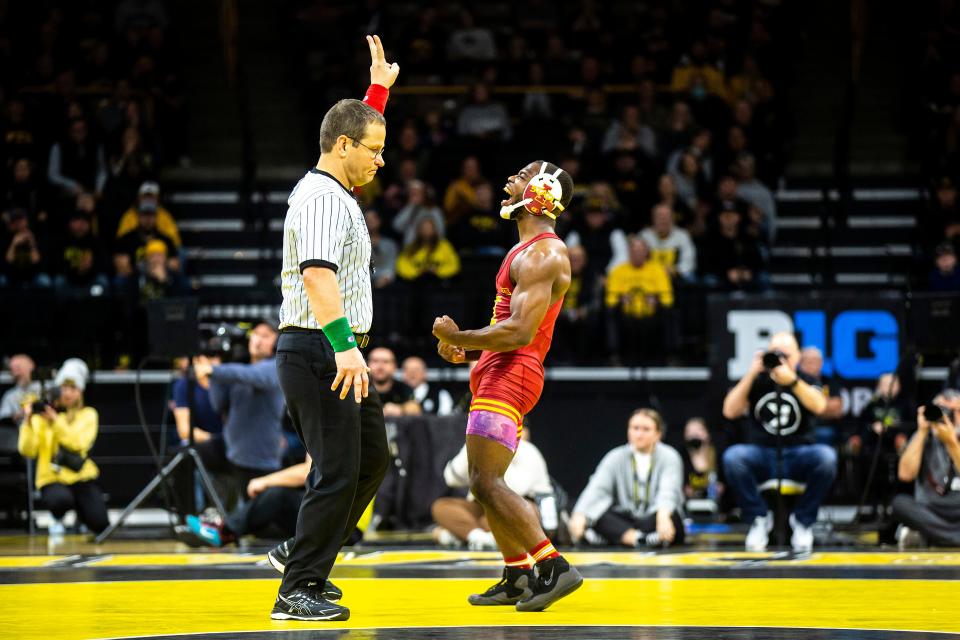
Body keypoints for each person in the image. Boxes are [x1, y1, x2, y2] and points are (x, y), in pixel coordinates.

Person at [266, 35, 397, 622]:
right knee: (338, 470)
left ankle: (305, 548)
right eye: (374, 150)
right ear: (343, 146)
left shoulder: (336, 187)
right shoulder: (320, 199)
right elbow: (318, 277)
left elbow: (357, 129)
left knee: (371, 461)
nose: (381, 159)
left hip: (340, 349)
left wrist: (378, 94)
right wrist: (345, 348)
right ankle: (297, 588)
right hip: (323, 347)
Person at [432, 158, 582, 611]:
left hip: (511, 373)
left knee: (487, 481)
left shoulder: (543, 253)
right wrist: (468, 350)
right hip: (503, 369)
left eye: (518, 175)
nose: (508, 180)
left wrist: (459, 336)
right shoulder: (529, 251)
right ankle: (518, 573)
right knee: (482, 481)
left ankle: (552, 565)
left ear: (540, 192)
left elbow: (518, 332)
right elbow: (510, 328)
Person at [721, 332, 834, 552]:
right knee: (733, 456)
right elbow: (729, 410)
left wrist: (791, 381)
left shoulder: (807, 379)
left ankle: (802, 521)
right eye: (776, 354)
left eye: (787, 354)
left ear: (798, 356)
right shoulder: (757, 379)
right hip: (761, 452)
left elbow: (820, 406)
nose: (781, 359)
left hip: (799, 453)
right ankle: (758, 518)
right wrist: (752, 373)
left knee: (827, 457)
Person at [191, 322, 284, 508]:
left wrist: (215, 370)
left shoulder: (276, 367)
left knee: (257, 511)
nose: (257, 340)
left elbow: (257, 378)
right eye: (256, 334)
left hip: (259, 455)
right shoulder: (237, 370)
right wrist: (216, 373)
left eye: (265, 335)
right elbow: (218, 405)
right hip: (233, 450)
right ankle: (214, 514)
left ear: (277, 341)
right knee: (193, 454)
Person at [568, 408, 685, 548]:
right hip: (627, 518)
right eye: (635, 428)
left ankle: (621, 538)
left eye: (646, 429)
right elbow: (598, 488)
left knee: (673, 517)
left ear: (658, 434)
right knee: (597, 514)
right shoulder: (615, 456)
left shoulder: (669, 456)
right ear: (628, 431)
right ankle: (640, 539)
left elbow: (669, 491)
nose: (639, 434)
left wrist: (663, 516)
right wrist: (580, 514)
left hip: (655, 517)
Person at [17, 359, 109, 536]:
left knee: (101, 524)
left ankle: (83, 516)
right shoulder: (41, 417)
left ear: (80, 392)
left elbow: (78, 443)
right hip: (52, 478)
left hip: (80, 475)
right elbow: (27, 450)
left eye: (73, 388)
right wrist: (28, 421)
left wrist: (55, 421)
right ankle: (57, 518)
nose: (67, 393)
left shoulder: (88, 415)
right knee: (61, 499)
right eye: (64, 388)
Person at [433, 429, 552, 549]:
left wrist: (497, 453)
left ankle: (462, 534)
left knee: (489, 521)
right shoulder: (479, 446)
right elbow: (451, 479)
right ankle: (480, 537)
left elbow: (516, 489)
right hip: (483, 506)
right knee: (441, 507)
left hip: (517, 505)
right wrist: (469, 449)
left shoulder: (528, 450)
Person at [180, 454, 313, 547]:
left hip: (324, 512)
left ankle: (223, 531)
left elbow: (309, 471)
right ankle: (226, 528)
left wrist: (265, 481)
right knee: (272, 502)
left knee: (278, 495)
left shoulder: (323, 422)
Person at [893, 391, 960, 548]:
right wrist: (922, 431)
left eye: (954, 411)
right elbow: (905, 475)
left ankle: (933, 536)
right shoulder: (923, 438)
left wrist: (952, 442)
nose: (948, 416)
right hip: (931, 509)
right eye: (942, 410)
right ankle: (953, 537)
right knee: (900, 503)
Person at [640, 203, 697, 283]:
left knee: (690, 278)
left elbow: (689, 262)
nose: (663, 220)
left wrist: (675, 270)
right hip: (649, 276)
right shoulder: (644, 236)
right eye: (660, 217)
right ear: (653, 219)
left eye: (666, 217)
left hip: (676, 277)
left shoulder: (682, 236)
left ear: (672, 219)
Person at [368, 347, 421, 417]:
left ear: (394, 366)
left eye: (385, 361)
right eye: (375, 361)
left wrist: (401, 409)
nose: (380, 366)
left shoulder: (404, 388)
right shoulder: (358, 387)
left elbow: (416, 409)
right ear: (367, 364)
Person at [0, 354, 41, 426]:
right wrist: (21, 414)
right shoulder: (10, 396)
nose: (16, 373)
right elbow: (4, 420)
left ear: (31, 366)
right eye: (12, 370)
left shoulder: (47, 388)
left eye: (18, 368)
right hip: (21, 433)